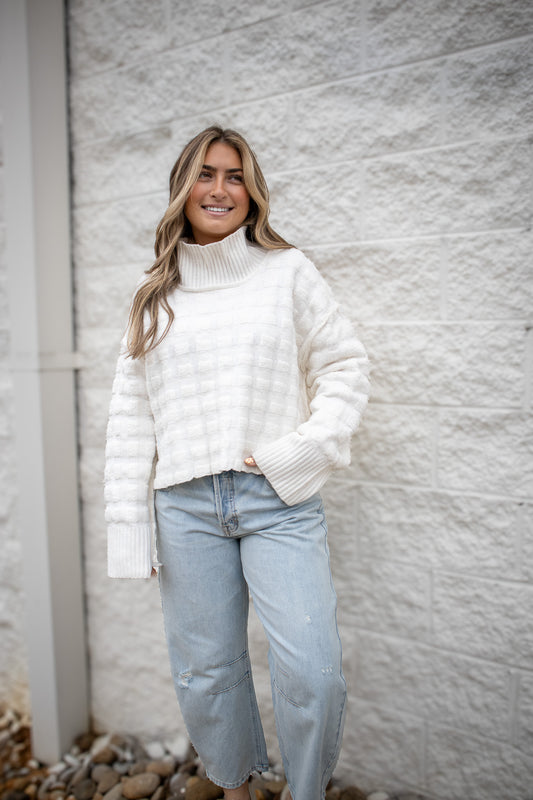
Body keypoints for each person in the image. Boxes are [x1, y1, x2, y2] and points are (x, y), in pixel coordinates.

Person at [104, 126, 370, 800]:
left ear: (250, 192)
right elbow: (131, 419)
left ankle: (305, 791)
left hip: (275, 500)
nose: (219, 189)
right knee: (206, 670)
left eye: (233, 175)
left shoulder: (286, 272)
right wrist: (129, 532)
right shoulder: (153, 295)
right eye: (204, 174)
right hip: (184, 506)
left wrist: (302, 450)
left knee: (313, 672)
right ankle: (233, 787)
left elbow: (343, 366)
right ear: (181, 190)